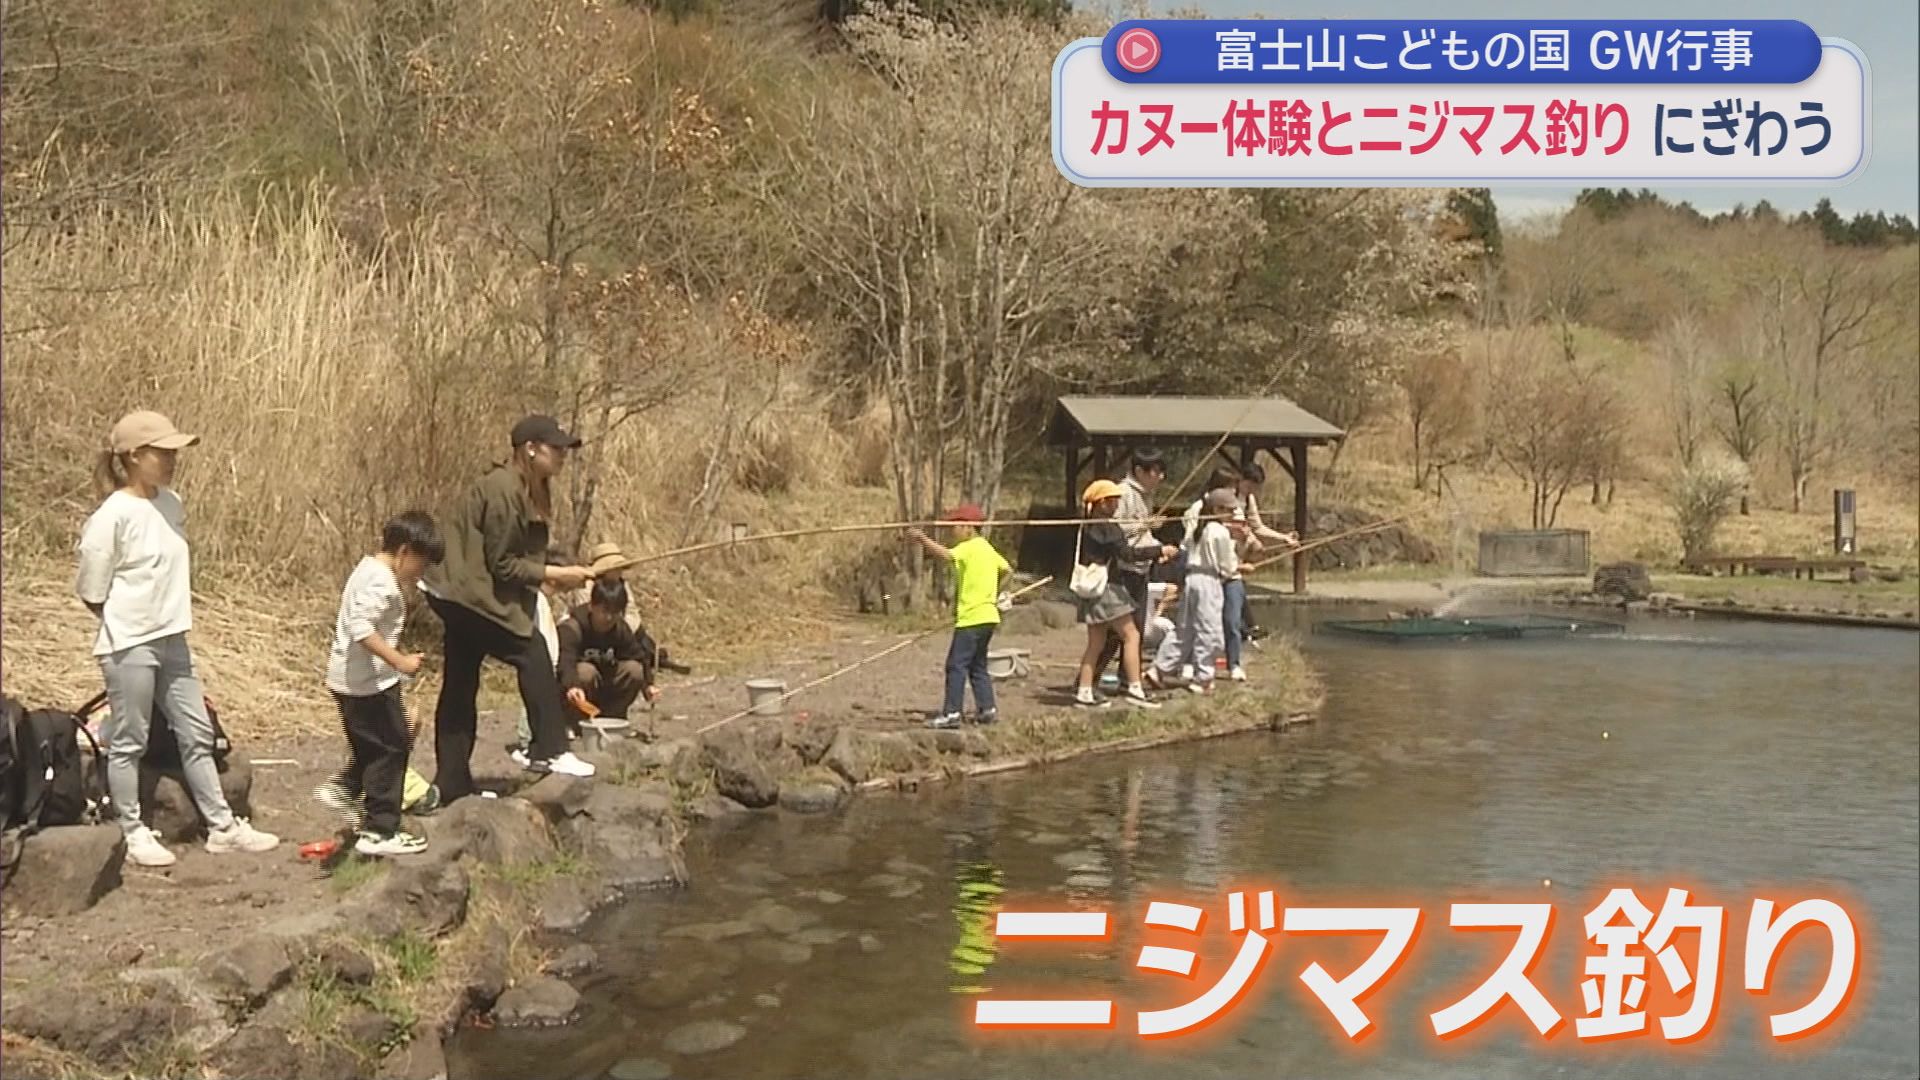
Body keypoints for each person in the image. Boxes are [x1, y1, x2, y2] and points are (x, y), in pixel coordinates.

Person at [75, 411, 280, 867]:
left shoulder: (172, 503)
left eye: (173, 451)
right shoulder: (112, 516)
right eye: (161, 452)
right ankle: (131, 830)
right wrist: (125, 621)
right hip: (130, 643)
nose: (171, 460)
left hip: (174, 638)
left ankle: (222, 826)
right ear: (132, 457)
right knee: (130, 738)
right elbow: (91, 587)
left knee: (196, 732)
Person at [423, 415, 597, 802]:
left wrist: (551, 575)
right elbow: (502, 565)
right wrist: (555, 573)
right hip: (466, 594)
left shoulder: (523, 488)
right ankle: (550, 750)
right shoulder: (503, 490)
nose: (563, 457)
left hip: (458, 592)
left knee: (459, 686)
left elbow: (512, 559)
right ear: (530, 449)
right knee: (531, 650)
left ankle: (452, 781)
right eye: (556, 449)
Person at [314, 512, 444, 856]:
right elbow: (362, 628)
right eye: (422, 563)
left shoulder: (367, 570)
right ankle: (380, 829)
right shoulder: (381, 583)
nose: (420, 573)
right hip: (368, 684)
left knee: (378, 745)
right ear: (405, 551)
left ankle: (346, 788)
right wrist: (399, 661)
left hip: (353, 679)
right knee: (393, 748)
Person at [901, 504, 1012, 729]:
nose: (954, 531)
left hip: (971, 618)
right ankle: (987, 708)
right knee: (977, 665)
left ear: (969, 527)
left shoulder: (970, 547)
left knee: (956, 665)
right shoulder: (988, 549)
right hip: (989, 617)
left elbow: (945, 554)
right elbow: (1007, 570)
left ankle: (952, 713)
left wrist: (922, 539)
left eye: (957, 526)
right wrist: (998, 592)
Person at [1073, 480, 1169, 710]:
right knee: (1131, 636)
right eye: (1114, 500)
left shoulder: (1089, 526)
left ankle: (1084, 692)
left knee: (1095, 644)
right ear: (1103, 502)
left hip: (1091, 591)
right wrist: (1159, 550)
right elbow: (1127, 554)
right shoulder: (1109, 528)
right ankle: (1135, 688)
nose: (1117, 505)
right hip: (1107, 590)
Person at [1095, 449, 1174, 680]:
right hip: (1122, 569)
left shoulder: (1146, 495)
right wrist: (1144, 525)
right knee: (1118, 631)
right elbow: (1114, 530)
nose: (1160, 477)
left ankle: (1126, 679)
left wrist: (1157, 546)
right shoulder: (1123, 493)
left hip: (1141, 567)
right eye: (1156, 472)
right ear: (1139, 471)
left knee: (1133, 630)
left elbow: (1143, 532)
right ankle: (1092, 680)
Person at [556, 578, 661, 723]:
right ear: (592, 606)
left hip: (605, 683)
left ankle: (613, 718)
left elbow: (638, 656)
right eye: (604, 611)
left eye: (615, 612)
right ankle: (577, 722)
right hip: (576, 691)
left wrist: (648, 686)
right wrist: (572, 686)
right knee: (586, 672)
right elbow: (565, 662)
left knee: (634, 670)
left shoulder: (619, 628)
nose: (609, 618)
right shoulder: (572, 628)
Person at [1171, 488, 1240, 696]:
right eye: (1229, 510)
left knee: (1184, 629)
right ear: (1217, 509)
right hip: (1208, 582)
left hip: (1192, 579)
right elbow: (1227, 567)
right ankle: (1203, 678)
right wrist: (1239, 567)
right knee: (1209, 631)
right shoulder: (1219, 531)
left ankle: (1159, 669)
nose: (1231, 515)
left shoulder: (1198, 528)